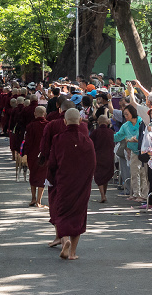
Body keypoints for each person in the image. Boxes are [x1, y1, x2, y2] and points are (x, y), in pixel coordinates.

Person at [48, 108, 96, 260]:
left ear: (65, 121)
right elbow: (92, 163)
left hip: (63, 181)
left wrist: (51, 179)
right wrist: (87, 180)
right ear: (80, 121)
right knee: (78, 215)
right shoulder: (87, 140)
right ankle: (73, 253)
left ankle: (64, 242)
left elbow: (52, 163)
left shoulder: (58, 139)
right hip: (81, 183)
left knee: (61, 213)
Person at [114, 104, 146, 201]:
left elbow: (142, 137)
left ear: (132, 113)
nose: (125, 116)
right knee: (134, 172)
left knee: (143, 174)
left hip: (144, 151)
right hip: (133, 151)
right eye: (124, 115)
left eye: (127, 114)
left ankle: (143, 195)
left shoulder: (142, 122)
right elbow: (119, 135)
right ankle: (136, 193)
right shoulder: (125, 125)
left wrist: (136, 140)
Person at [24, 105, 48, 208]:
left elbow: (27, 142)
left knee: (33, 174)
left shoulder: (30, 126)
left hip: (32, 154)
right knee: (42, 176)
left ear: (35, 114)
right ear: (45, 114)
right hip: (45, 154)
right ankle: (39, 200)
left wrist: (24, 154)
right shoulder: (49, 125)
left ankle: (33, 198)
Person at [89, 115, 115, 203]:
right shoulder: (111, 132)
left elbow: (90, 143)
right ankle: (104, 194)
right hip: (109, 156)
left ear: (99, 122)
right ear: (107, 122)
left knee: (99, 176)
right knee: (106, 175)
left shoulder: (96, 132)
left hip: (98, 156)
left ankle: (102, 195)